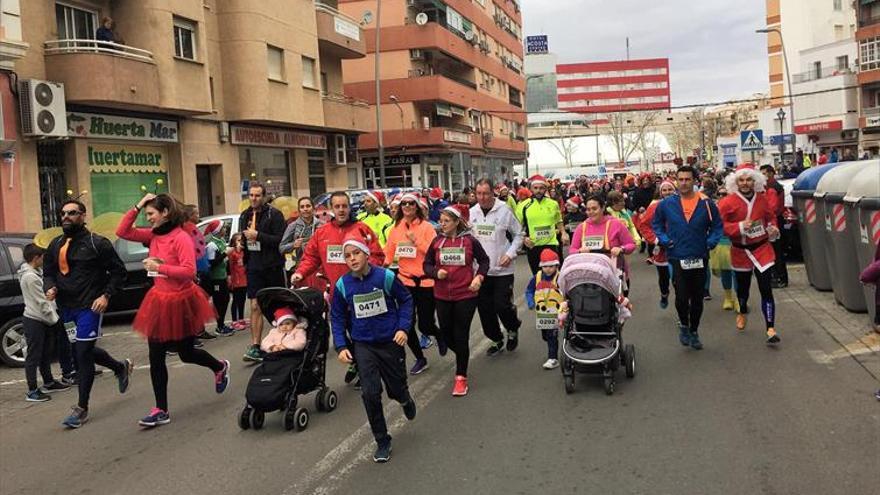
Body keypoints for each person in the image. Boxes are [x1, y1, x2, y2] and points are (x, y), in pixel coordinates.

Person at [117, 194, 230, 428]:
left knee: (186, 353)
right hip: (159, 301)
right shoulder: (153, 235)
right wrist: (137, 205)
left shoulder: (180, 237)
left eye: (151, 214)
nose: (148, 219)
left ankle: (219, 367)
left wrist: (160, 267)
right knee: (155, 355)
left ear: (165, 212)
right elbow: (122, 232)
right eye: (146, 214)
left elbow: (189, 272)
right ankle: (161, 409)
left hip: (182, 301)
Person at [44, 199, 133, 428]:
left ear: (83, 216)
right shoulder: (55, 245)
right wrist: (50, 287)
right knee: (82, 349)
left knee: (82, 354)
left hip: (90, 307)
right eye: (63, 213)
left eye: (72, 213)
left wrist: (106, 296)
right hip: (66, 308)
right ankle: (119, 367)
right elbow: (49, 272)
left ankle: (81, 408)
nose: (66, 217)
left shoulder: (97, 243)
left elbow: (118, 272)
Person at [330, 236, 417, 463]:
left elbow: (406, 301)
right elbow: (337, 317)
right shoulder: (342, 285)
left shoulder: (385, 277)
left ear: (366, 255)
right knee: (370, 393)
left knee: (396, 388)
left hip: (390, 342)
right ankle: (382, 440)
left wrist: (403, 328)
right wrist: (340, 345)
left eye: (356, 253)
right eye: (347, 256)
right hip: (363, 345)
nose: (352, 259)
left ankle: (404, 398)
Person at [651, 166, 723, 350]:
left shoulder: (706, 204)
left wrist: (711, 241)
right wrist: (665, 240)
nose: (683, 183)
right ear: (676, 181)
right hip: (677, 254)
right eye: (680, 179)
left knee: (697, 298)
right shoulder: (667, 204)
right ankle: (684, 325)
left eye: (687, 179)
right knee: (682, 296)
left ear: (694, 181)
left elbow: (717, 226)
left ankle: (694, 330)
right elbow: (656, 224)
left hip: (699, 254)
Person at [423, 207, 490, 396]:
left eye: (446, 221)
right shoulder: (437, 242)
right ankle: (462, 353)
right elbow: (426, 264)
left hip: (466, 295)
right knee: (446, 332)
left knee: (461, 335)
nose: (442, 224)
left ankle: (461, 377)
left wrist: (479, 278)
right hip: (442, 295)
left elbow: (484, 261)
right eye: (441, 220)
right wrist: (436, 272)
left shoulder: (470, 241)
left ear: (456, 222)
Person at [718, 164, 781, 345]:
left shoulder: (762, 199)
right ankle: (742, 310)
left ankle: (770, 328)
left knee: (766, 289)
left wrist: (773, 227)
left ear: (755, 181)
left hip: (762, 249)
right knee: (743, 290)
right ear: (736, 182)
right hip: (740, 251)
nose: (745, 183)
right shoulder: (727, 202)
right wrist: (738, 227)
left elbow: (770, 217)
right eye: (741, 180)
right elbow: (719, 226)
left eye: (749, 180)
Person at [382, 192, 437, 375]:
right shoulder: (395, 229)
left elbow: (433, 252)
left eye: (411, 204)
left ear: (417, 207)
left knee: (426, 325)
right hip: (405, 281)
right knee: (406, 324)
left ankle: (439, 336)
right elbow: (387, 256)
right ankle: (420, 358)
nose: (407, 207)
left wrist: (416, 241)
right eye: (403, 204)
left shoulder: (427, 227)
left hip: (426, 282)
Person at [470, 179, 524, 357]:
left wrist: (509, 254)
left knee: (502, 305)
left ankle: (512, 327)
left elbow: (519, 235)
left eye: (485, 193)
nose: (482, 197)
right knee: (485, 310)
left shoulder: (504, 210)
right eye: (478, 194)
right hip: (481, 271)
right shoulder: (472, 213)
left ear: (493, 192)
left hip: (502, 269)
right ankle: (496, 339)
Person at [238, 182, 287, 362]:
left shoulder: (274, 215)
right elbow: (242, 237)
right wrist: (240, 243)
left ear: (264, 197)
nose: (254, 198)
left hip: (272, 266)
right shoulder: (245, 215)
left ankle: (285, 338)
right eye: (251, 195)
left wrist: (258, 236)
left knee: (277, 305)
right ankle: (256, 346)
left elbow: (280, 240)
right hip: (254, 266)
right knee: (255, 306)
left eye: (257, 195)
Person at [20, 244, 71, 402]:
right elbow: (41, 303)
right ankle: (32, 390)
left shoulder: (36, 273)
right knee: (34, 356)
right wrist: (55, 320)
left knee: (45, 353)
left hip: (42, 319)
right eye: (42, 257)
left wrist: (48, 293)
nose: (44, 259)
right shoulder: (30, 276)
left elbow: (42, 297)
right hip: (35, 319)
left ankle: (48, 381)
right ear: (36, 258)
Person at [570, 195, 636, 294]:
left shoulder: (616, 224)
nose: (591, 212)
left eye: (594, 208)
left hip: (614, 273)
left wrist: (621, 249)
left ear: (603, 208)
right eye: (588, 209)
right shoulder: (581, 227)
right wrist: (579, 251)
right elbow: (572, 250)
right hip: (590, 275)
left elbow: (631, 244)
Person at [516, 175, 568, 274]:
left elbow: (559, 220)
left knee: (555, 277)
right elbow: (516, 227)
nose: (538, 191)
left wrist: (564, 232)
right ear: (531, 188)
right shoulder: (523, 205)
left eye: (541, 188)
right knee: (538, 277)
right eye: (535, 188)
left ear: (545, 189)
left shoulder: (553, 204)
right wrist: (523, 238)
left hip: (552, 244)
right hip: (533, 246)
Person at [639, 180, 677, 309]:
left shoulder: (682, 204)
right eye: (664, 190)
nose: (667, 192)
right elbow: (643, 225)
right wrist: (656, 240)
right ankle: (664, 294)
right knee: (664, 278)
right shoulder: (655, 207)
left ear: (675, 190)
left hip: (679, 248)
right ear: (660, 193)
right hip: (661, 249)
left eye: (670, 189)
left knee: (679, 282)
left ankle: (682, 310)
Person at [525, 250, 563, 370]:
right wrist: (530, 302)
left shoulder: (560, 277)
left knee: (552, 335)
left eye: (551, 266)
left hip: (557, 312)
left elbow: (566, 291)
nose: (548, 269)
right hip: (542, 312)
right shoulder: (537, 277)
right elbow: (529, 290)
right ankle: (552, 348)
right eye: (545, 266)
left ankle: (553, 358)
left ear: (557, 266)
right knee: (546, 336)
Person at [279, 197, 324, 291]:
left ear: (313, 208)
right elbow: (281, 248)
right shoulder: (293, 226)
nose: (305, 209)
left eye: (308, 206)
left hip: (319, 269)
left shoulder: (322, 225)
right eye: (302, 207)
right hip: (300, 268)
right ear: (299, 210)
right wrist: (293, 245)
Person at [760, 164, 788, 288]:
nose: (762, 176)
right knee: (776, 251)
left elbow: (772, 208)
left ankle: (780, 278)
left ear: (771, 173)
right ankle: (778, 277)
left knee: (776, 251)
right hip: (775, 221)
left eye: (764, 173)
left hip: (774, 222)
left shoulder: (772, 188)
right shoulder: (770, 187)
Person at [203, 220, 233, 335]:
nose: (225, 230)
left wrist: (228, 274)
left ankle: (222, 324)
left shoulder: (220, 241)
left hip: (222, 276)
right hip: (216, 278)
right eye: (223, 228)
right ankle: (219, 326)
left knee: (225, 300)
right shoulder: (211, 245)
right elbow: (212, 263)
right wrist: (225, 253)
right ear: (218, 231)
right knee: (219, 301)